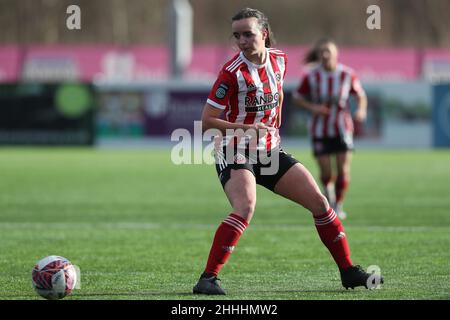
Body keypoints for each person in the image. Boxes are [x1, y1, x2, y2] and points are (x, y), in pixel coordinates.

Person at [193, 8, 382, 295]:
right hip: (234, 149)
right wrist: (246, 130)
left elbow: (278, 92)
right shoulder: (231, 73)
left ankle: (348, 271)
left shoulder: (279, 59)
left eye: (248, 34)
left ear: (264, 34)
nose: (242, 41)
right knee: (245, 207)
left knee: (320, 203)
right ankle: (207, 279)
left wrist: (275, 120)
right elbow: (207, 122)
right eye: (237, 36)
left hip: (269, 151)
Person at [292, 39, 368, 220]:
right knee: (326, 171)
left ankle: (338, 205)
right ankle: (330, 197)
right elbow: (297, 98)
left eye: (328, 52)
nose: (325, 56)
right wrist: (314, 108)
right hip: (319, 130)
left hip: (342, 128)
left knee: (343, 169)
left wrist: (361, 110)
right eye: (322, 52)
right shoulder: (311, 76)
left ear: (336, 54)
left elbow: (360, 95)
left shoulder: (347, 74)